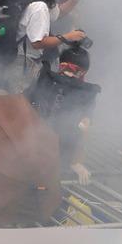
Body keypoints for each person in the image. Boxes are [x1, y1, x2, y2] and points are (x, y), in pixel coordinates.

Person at [8, 0, 94, 92]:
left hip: (27, 60)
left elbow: (59, 13)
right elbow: (37, 43)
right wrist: (67, 37)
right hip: (22, 63)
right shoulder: (39, 7)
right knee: (19, 102)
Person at [26, 46, 100, 185]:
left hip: (26, 147)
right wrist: (75, 162)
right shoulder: (86, 94)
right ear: (83, 72)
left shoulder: (44, 77)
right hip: (51, 156)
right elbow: (82, 129)